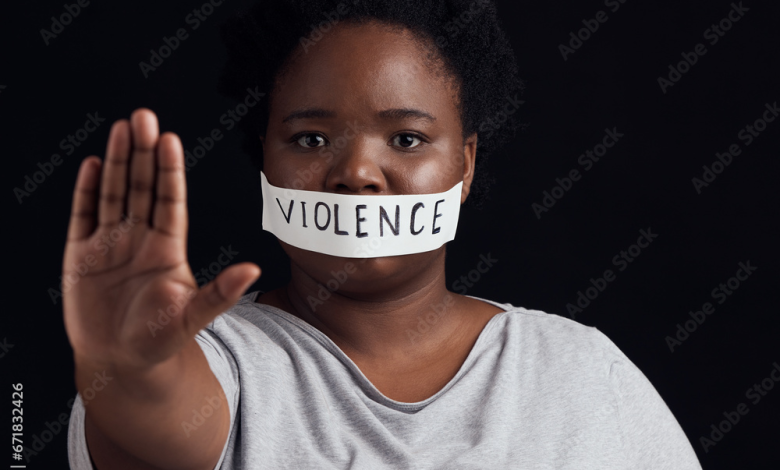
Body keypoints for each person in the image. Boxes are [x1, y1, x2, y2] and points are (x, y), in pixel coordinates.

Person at [65, 0, 703, 468]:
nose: (356, 174)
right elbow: (159, 430)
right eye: (311, 139)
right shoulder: (213, 355)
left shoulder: (581, 374)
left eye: (406, 139)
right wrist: (128, 372)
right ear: (266, 161)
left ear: (465, 164)